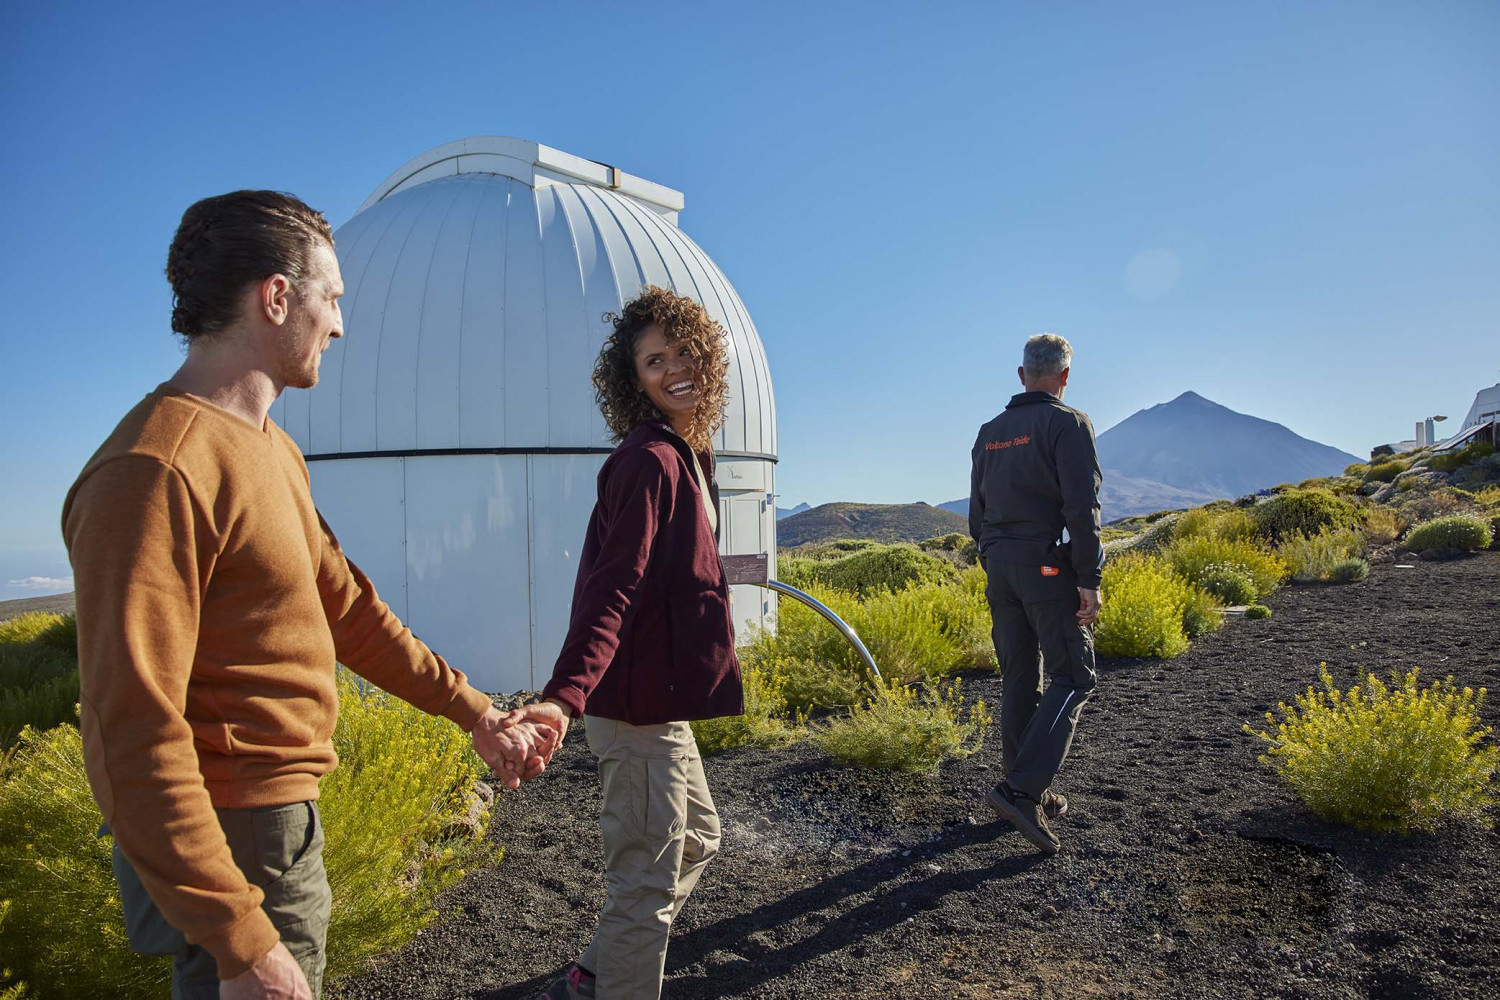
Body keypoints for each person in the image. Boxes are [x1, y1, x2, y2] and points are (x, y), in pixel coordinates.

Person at [62, 191, 556, 1000]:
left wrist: (477, 712)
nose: (339, 324)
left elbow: (347, 611)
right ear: (277, 296)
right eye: (331, 299)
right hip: (233, 837)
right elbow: (130, 728)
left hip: (277, 825)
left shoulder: (269, 449)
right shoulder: (155, 472)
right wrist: (241, 940)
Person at [504, 286, 744, 1000]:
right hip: (633, 708)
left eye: (680, 351)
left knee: (698, 841)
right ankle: (612, 978)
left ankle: (595, 973)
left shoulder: (685, 455)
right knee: (647, 888)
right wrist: (562, 698)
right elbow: (612, 586)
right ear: (632, 381)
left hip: (656, 700)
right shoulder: (648, 462)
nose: (672, 368)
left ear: (706, 354)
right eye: (652, 361)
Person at [968, 332, 1103, 855]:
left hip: (999, 567)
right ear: (1064, 377)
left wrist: (993, 556)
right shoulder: (1067, 423)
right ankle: (1021, 790)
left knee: (1021, 678)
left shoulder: (990, 432)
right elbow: (1081, 509)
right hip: (1046, 566)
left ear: (1022, 374)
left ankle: (1023, 788)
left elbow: (977, 512)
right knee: (1074, 674)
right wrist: (1088, 579)